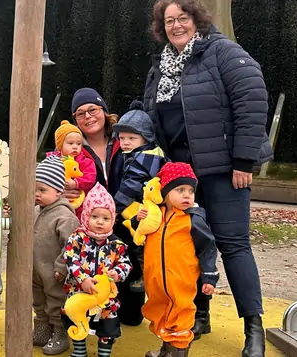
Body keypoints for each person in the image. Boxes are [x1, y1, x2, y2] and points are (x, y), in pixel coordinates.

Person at [143, 0, 271, 357]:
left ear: (197, 19)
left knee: (233, 245)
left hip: (224, 171)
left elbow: (252, 99)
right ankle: (199, 317)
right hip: (184, 175)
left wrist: (245, 160)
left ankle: (254, 329)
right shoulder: (161, 66)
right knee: (189, 246)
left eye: (182, 17)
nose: (176, 25)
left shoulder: (222, 52)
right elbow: (151, 112)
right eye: (169, 21)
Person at [63, 89, 145, 327]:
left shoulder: (125, 139)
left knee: (132, 317)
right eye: (80, 113)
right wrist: (65, 188)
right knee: (89, 271)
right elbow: (57, 175)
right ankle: (85, 311)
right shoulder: (74, 148)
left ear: (104, 111)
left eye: (93, 110)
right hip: (92, 225)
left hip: (127, 219)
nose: (88, 116)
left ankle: (127, 295)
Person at [135, 162, 219, 357]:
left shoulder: (193, 219)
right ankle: (167, 349)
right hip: (156, 281)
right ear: (165, 192)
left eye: (191, 190)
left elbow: (207, 248)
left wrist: (209, 276)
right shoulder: (157, 216)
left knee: (180, 315)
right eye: (180, 189)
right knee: (161, 312)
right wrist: (137, 219)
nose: (187, 195)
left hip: (180, 281)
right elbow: (139, 234)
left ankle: (178, 352)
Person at [59, 184, 131, 357]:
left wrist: (117, 273)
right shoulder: (77, 238)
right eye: (95, 216)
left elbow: (126, 263)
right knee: (77, 319)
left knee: (108, 324)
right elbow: (70, 258)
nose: (100, 222)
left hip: (105, 296)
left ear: (113, 220)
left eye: (106, 218)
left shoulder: (116, 244)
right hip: (79, 291)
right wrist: (82, 279)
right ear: (86, 215)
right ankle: (79, 350)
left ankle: (104, 352)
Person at [111, 100, 167, 292]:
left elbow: (130, 186)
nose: (125, 142)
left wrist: (114, 208)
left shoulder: (144, 158)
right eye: (122, 138)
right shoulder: (144, 153)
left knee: (139, 237)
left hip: (146, 207)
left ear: (146, 138)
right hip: (146, 204)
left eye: (132, 138)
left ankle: (146, 273)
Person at [33, 156, 80, 355]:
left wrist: (61, 267)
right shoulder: (36, 210)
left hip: (54, 271)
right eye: (35, 189)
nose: (37, 194)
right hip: (36, 268)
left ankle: (60, 333)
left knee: (55, 300)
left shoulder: (64, 216)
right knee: (37, 299)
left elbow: (72, 244)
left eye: (42, 190)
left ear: (58, 191)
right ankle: (43, 329)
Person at [47, 120, 97, 199]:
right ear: (60, 145)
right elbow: (45, 178)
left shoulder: (86, 161)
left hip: (80, 200)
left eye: (79, 144)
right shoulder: (51, 160)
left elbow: (90, 178)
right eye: (70, 143)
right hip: (55, 201)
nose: (75, 147)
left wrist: (76, 183)